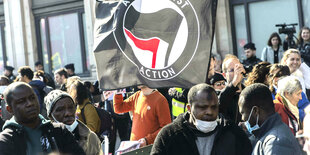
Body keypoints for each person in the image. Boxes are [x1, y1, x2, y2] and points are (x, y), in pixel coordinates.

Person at [151, 83, 252, 155]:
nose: (209, 112)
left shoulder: (234, 133)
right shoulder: (169, 136)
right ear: (189, 109)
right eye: (202, 107)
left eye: (214, 107)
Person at [0, 82, 85, 155]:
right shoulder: (6, 141)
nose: (30, 104)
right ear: (10, 109)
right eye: (21, 101)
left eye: (32, 98)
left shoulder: (59, 131)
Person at [238, 83, 302, 155]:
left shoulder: (275, 142)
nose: (242, 118)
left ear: (255, 111)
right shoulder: (268, 135)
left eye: (243, 113)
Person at [45, 90, 103, 155]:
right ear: (51, 116)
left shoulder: (91, 138)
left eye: (71, 108)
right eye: (60, 109)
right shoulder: (45, 141)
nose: (68, 113)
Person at [219, 54, 245, 124]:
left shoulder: (248, 92)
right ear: (224, 75)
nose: (237, 72)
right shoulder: (221, 94)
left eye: (238, 68)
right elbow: (221, 104)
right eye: (232, 70)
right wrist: (234, 82)